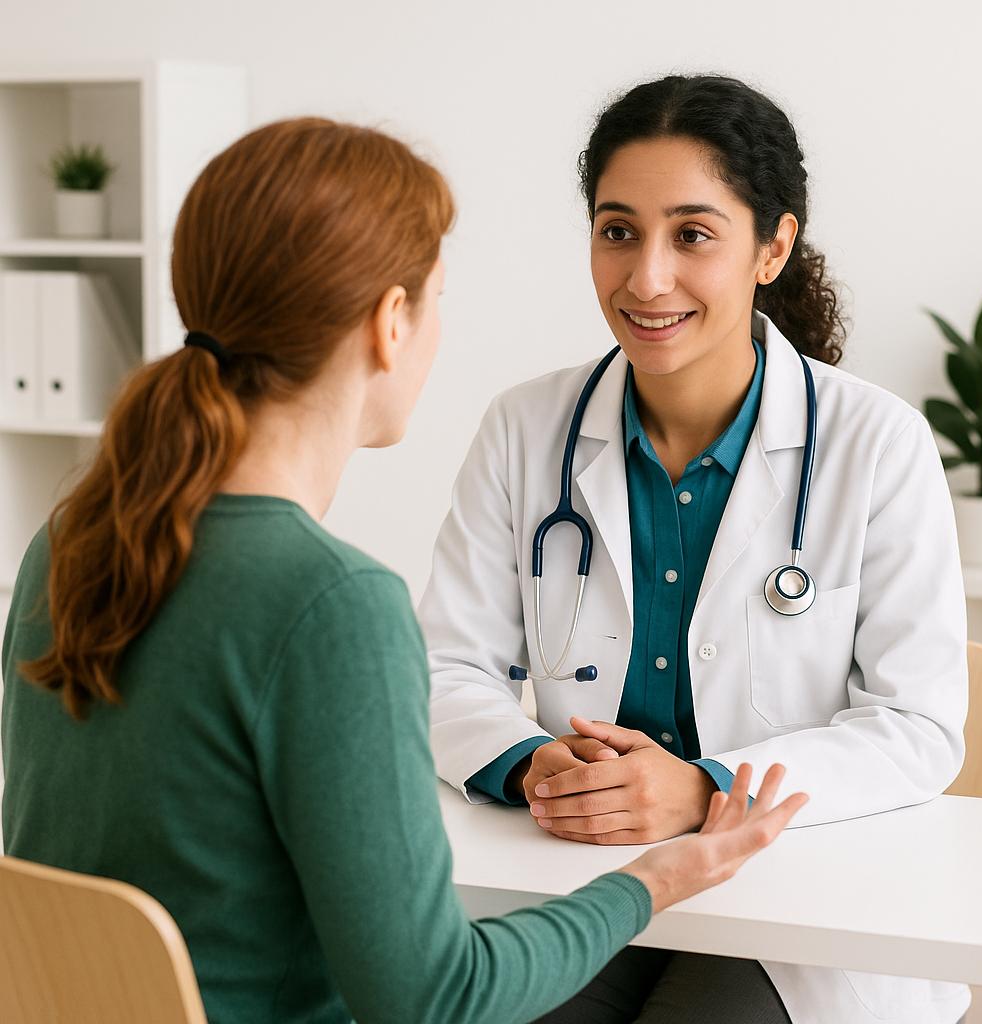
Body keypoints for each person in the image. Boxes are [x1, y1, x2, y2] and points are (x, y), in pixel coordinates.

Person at [0, 117, 806, 1024]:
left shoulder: (70, 539)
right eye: (433, 301)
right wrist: (649, 883)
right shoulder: (329, 604)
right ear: (391, 322)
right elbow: (434, 997)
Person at [421, 75, 970, 1024]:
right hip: (585, 874)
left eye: (693, 234)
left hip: (793, 895)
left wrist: (705, 791)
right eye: (618, 230)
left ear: (773, 247)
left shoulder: (877, 444)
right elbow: (442, 665)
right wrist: (527, 761)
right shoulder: (526, 429)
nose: (647, 279)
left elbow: (916, 727)